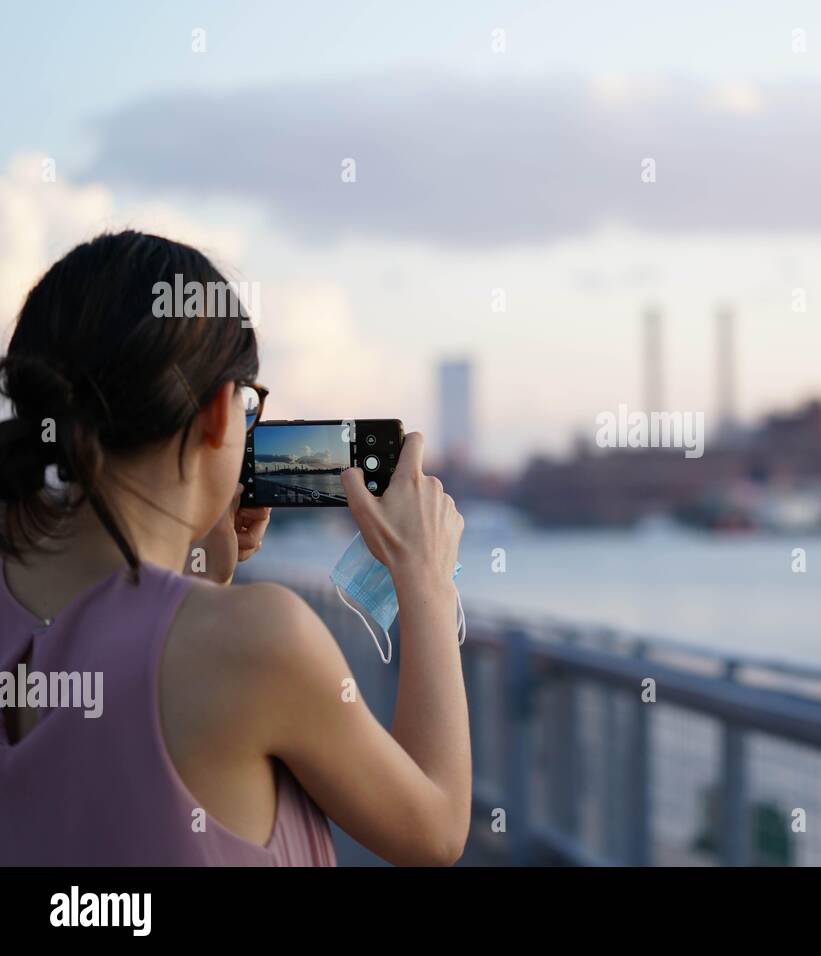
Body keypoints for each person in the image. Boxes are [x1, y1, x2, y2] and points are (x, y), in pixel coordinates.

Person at [0, 231, 470, 865]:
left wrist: (204, 577)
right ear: (222, 413)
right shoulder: (262, 639)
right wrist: (426, 579)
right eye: (251, 403)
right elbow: (435, 830)